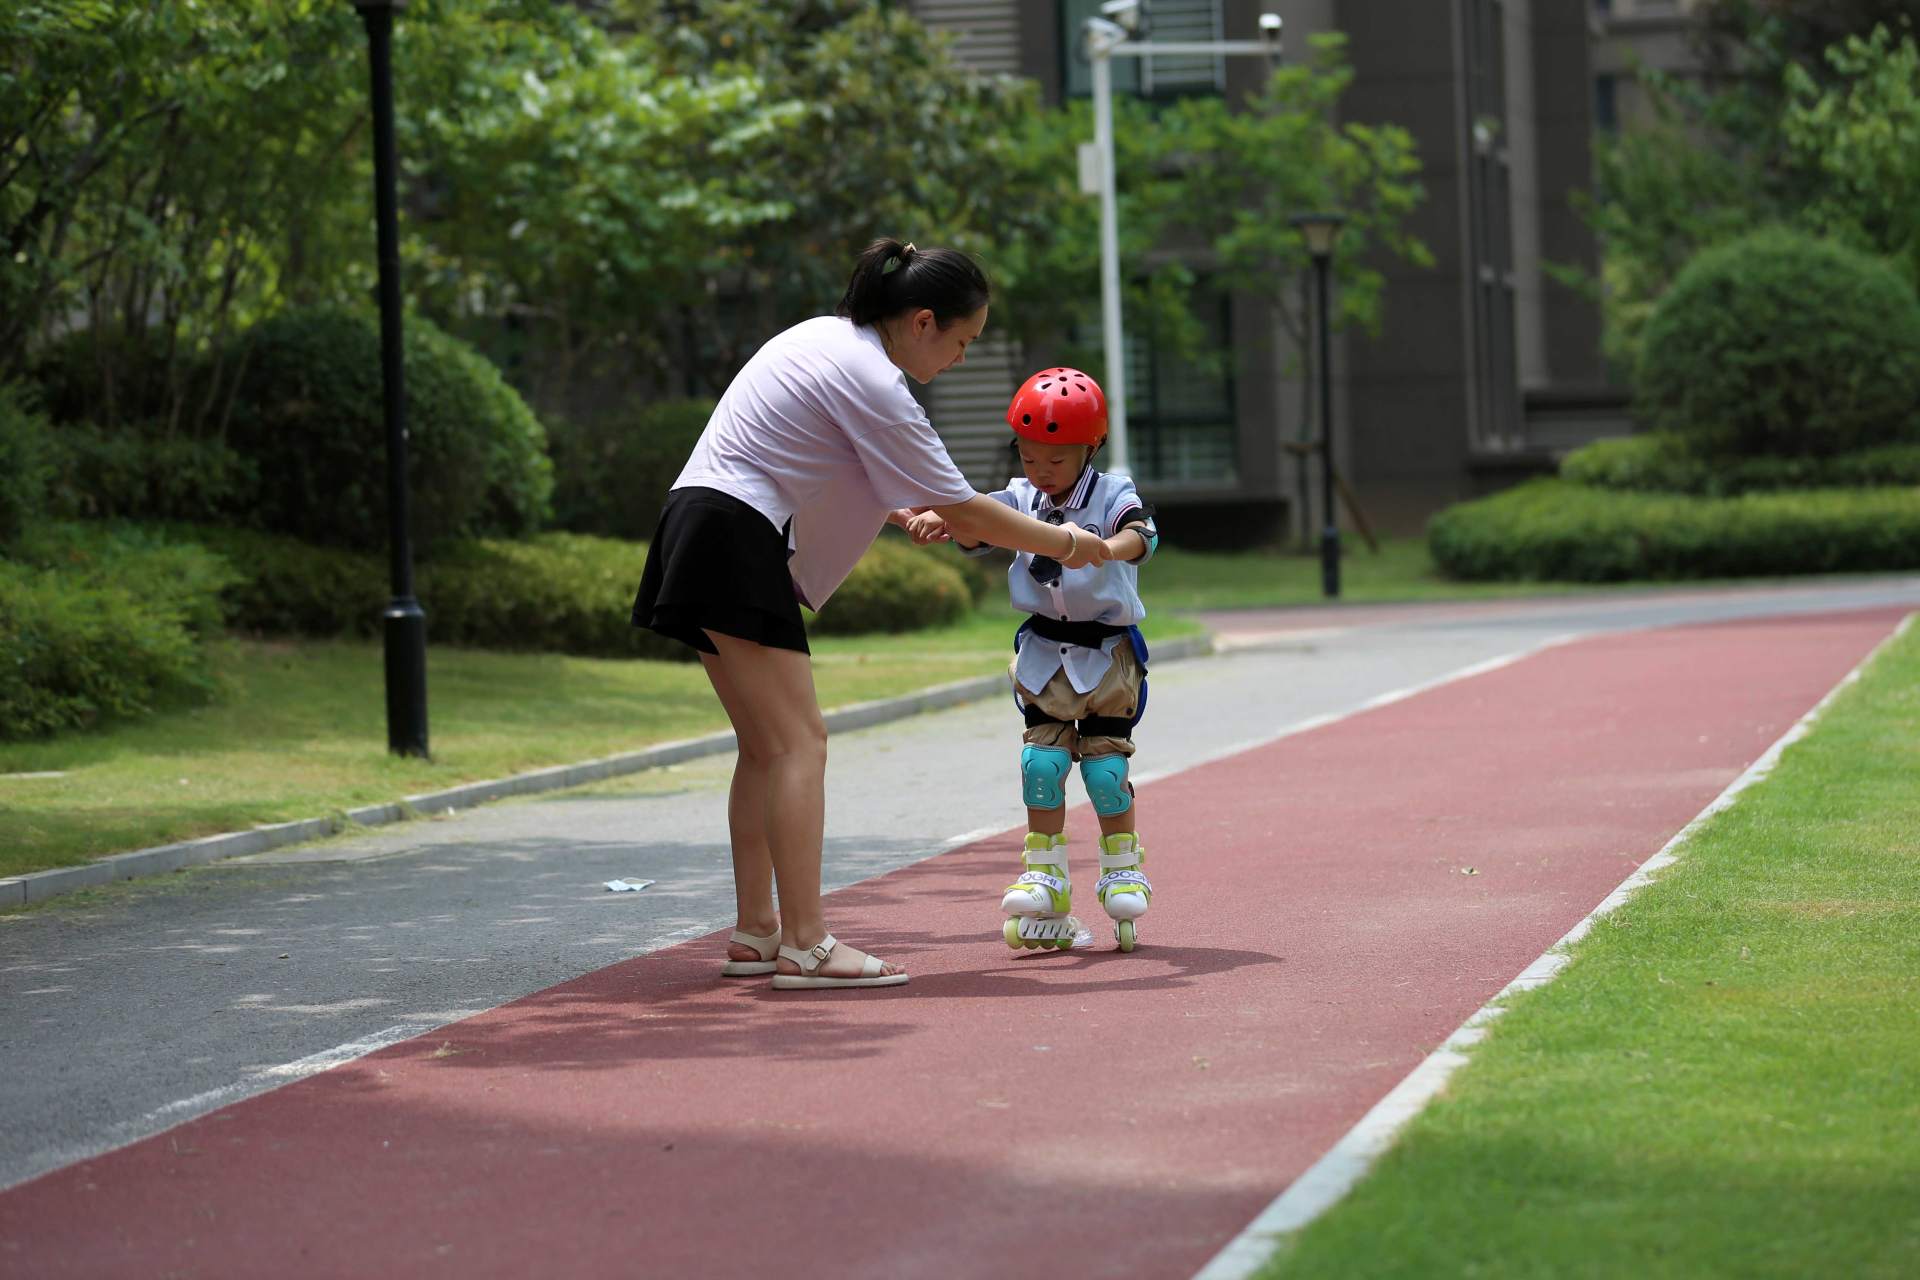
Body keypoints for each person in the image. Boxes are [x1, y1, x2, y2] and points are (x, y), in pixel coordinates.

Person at [631, 239, 1114, 990]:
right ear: (922, 322)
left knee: (765, 748)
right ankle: (808, 944)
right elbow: (964, 506)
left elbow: (831, 462)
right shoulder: (874, 380)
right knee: (800, 745)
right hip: (734, 535)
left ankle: (759, 932)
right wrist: (1072, 542)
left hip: (698, 523)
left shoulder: (821, 338)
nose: (959, 357)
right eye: (962, 341)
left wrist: (904, 512)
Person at [904, 367, 1158, 952]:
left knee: (1103, 771)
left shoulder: (1112, 492)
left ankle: (1122, 865)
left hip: (1106, 656)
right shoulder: (1019, 498)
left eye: (1055, 460)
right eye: (1030, 457)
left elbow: (1143, 535)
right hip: (1044, 653)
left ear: (1089, 448)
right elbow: (973, 521)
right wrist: (937, 518)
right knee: (1041, 766)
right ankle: (1044, 869)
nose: (1040, 472)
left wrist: (1104, 549)